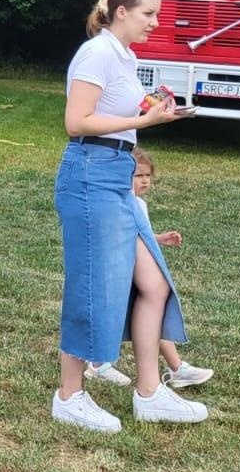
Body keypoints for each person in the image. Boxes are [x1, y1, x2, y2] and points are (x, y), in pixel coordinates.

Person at [52, 0, 202, 433]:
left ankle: (150, 393)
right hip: (90, 176)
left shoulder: (123, 56)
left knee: (153, 284)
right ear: (121, 12)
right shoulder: (97, 53)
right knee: (93, 285)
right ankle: (69, 396)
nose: (156, 22)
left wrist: (157, 109)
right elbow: (76, 121)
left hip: (116, 177)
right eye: (148, 13)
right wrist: (144, 118)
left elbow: (124, 108)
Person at [87, 148, 214, 391]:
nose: (145, 180)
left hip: (137, 273)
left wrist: (160, 238)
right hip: (122, 274)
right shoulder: (117, 206)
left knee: (150, 318)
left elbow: (140, 237)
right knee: (121, 318)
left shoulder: (139, 205)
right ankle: (99, 364)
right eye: (138, 176)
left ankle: (176, 368)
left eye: (148, 175)